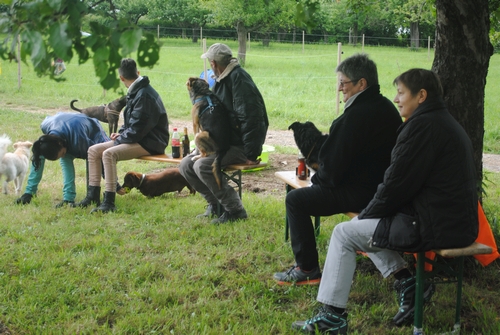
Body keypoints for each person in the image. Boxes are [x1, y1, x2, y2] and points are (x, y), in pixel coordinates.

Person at [292, 68, 478, 334]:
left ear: (421, 95)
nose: (396, 98)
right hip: (453, 222)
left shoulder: (421, 128)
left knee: (346, 232)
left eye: (401, 93)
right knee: (369, 228)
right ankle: (408, 284)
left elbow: (395, 185)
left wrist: (366, 215)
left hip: (435, 225)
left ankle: (332, 317)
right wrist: (372, 215)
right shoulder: (442, 121)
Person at [273, 53, 402, 285]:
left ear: (361, 83)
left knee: (296, 200)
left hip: (362, 192)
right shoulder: (386, 108)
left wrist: (317, 181)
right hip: (384, 189)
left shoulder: (354, 117)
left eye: (343, 83)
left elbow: (331, 170)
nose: (340, 89)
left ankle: (307, 269)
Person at [179, 43, 269, 224]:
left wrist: (251, 153)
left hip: (239, 144)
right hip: (224, 141)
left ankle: (235, 210)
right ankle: (215, 205)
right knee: (186, 165)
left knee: (202, 166)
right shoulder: (223, 79)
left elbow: (253, 119)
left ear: (213, 63)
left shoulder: (239, 80)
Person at [75, 58, 170, 213]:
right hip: (139, 138)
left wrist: (121, 137)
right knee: (93, 150)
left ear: (121, 78)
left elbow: (138, 129)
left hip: (151, 142)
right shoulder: (137, 90)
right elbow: (133, 123)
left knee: (108, 154)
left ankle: (109, 201)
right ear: (137, 72)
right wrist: (120, 134)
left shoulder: (144, 95)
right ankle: (92, 196)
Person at [15, 112, 110, 208]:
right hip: (64, 131)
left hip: (89, 129)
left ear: (60, 144)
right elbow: (40, 157)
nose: (62, 156)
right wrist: (28, 192)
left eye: (62, 154)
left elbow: (97, 160)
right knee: (40, 155)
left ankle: (77, 197)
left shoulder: (80, 140)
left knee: (72, 158)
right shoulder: (45, 126)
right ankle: (29, 193)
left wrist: (114, 183)